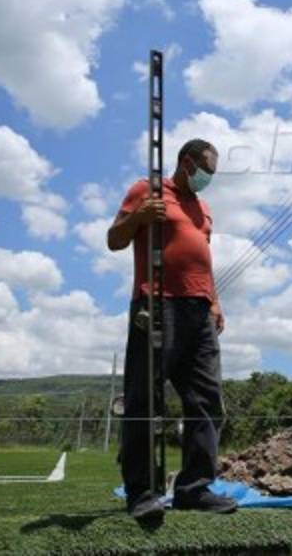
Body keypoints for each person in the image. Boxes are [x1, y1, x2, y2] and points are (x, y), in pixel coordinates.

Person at [108, 138, 236, 523]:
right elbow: (114, 240)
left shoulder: (203, 208)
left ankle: (194, 488)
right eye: (205, 170)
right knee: (145, 400)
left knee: (207, 400)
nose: (207, 179)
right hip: (157, 303)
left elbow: (203, 258)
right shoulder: (146, 190)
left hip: (200, 310)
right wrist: (139, 218)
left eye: (212, 173)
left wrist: (213, 300)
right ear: (185, 162)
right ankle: (142, 492)